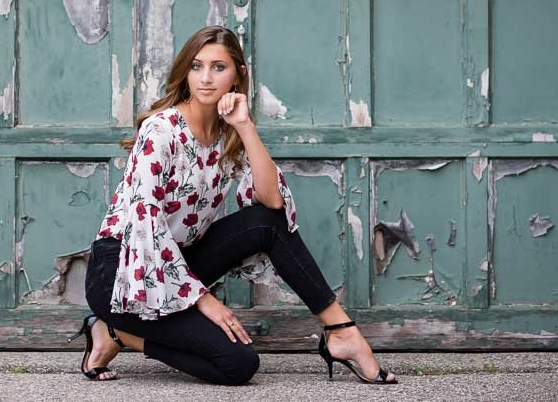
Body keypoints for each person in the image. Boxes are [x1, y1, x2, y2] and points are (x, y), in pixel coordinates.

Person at [70, 25, 397, 386]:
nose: (206, 78)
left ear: (238, 74)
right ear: (185, 71)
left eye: (218, 67)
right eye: (196, 66)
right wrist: (205, 301)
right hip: (123, 273)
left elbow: (273, 204)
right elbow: (147, 227)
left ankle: (341, 331)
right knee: (238, 363)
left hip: (178, 264)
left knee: (266, 222)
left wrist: (245, 126)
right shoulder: (159, 131)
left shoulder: (228, 133)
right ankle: (116, 332)